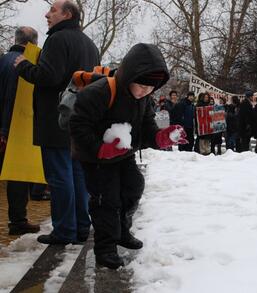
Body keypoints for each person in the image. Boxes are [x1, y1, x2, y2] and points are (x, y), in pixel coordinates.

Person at [69, 43, 188, 269]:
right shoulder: (100, 92)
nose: (145, 90)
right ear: (129, 75)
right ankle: (105, 248)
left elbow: (146, 126)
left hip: (123, 155)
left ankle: (122, 230)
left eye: (151, 87)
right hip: (96, 159)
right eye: (142, 84)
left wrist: (161, 137)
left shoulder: (143, 98)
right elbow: (78, 125)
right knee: (107, 200)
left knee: (133, 186)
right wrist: (99, 149)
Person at [14, 0, 99, 245]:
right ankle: (82, 227)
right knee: (78, 176)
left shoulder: (57, 39)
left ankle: (64, 231)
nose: (46, 14)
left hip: (56, 120)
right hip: (81, 120)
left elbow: (48, 77)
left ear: (67, 14)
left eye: (52, 10)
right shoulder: (89, 44)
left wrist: (24, 66)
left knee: (60, 177)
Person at [0, 26, 41, 235]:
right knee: (17, 177)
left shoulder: (3, 59)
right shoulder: (26, 64)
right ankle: (17, 221)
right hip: (13, 128)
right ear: (33, 43)